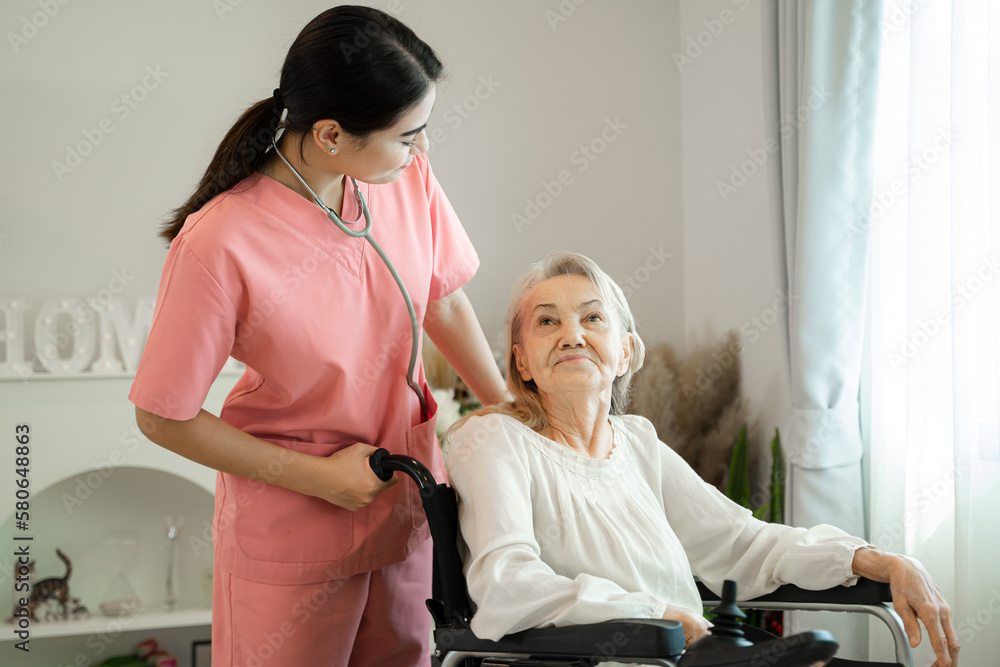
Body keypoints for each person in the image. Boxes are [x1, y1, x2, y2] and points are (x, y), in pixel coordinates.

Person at [129, 7, 506, 667]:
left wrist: (507, 411)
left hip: (407, 518)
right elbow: (163, 415)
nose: (423, 151)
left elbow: (439, 297)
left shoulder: (402, 178)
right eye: (408, 135)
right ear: (331, 133)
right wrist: (320, 479)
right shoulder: (221, 240)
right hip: (293, 540)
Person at [445, 252, 961, 667]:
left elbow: (741, 542)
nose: (572, 335)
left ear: (624, 352)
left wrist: (873, 559)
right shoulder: (494, 441)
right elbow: (506, 583)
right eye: (547, 322)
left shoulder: (637, 445)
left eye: (593, 317)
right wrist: (658, 616)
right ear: (522, 361)